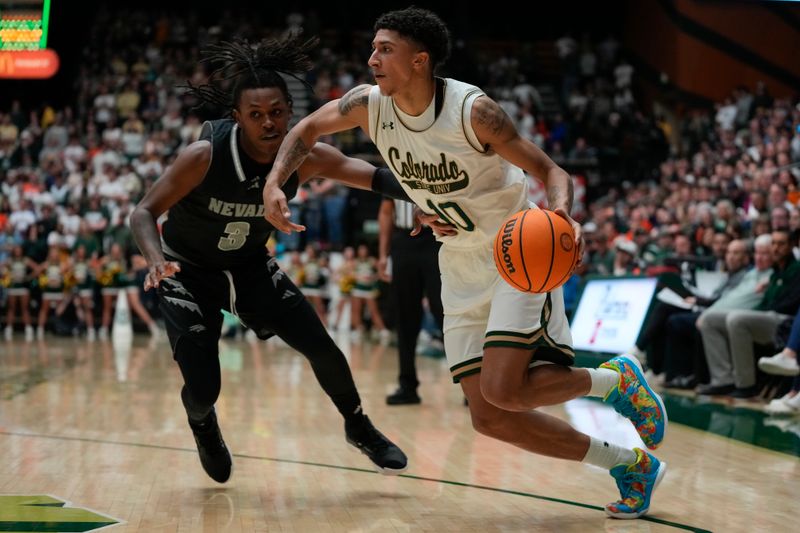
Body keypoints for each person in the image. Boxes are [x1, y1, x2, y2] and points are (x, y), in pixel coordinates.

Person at [263, 7, 667, 519]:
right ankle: (630, 464)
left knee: (504, 389)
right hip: (457, 261)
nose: (372, 59)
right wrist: (276, 182)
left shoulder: (473, 112)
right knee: (489, 418)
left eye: (385, 49)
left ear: (419, 60)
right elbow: (305, 132)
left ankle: (616, 382)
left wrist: (562, 216)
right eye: (373, 47)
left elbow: (550, 169)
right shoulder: (368, 105)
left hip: (515, 253)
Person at [131, 34, 409, 484]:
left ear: (290, 113)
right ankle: (203, 426)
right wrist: (153, 260)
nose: (268, 123)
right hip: (187, 270)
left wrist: (425, 194)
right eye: (256, 115)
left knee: (323, 348)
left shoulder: (304, 156)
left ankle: (358, 426)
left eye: (277, 113)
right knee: (203, 389)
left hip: (248, 266)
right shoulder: (204, 156)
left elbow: (373, 176)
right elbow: (143, 212)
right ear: (237, 118)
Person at [378, 198, 444, 405]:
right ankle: (407, 385)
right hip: (403, 241)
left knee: (444, 311)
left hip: (438, 239)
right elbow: (386, 211)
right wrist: (383, 254)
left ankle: (471, 386)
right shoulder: (394, 171)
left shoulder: (440, 167)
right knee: (405, 315)